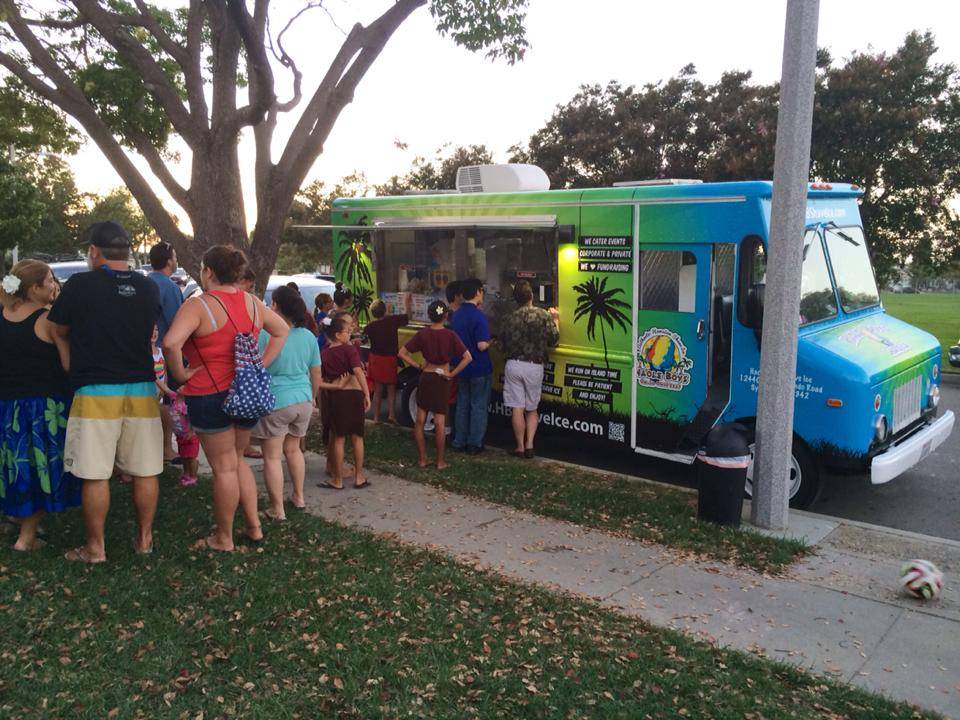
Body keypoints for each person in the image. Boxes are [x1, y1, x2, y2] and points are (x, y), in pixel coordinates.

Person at [47, 221, 162, 563]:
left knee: (95, 472)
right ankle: (144, 540)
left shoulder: (80, 284)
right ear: (126, 252)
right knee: (145, 469)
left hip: (96, 389)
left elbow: (58, 329)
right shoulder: (148, 288)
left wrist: (69, 363)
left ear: (93, 252)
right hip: (142, 388)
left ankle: (95, 548)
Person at [163, 245, 289, 552]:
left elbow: (170, 343)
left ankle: (224, 537)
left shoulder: (199, 305)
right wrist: (261, 362)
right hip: (245, 393)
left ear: (208, 272)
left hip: (208, 394)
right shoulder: (253, 303)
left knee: (224, 468)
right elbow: (282, 330)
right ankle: (254, 527)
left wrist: (179, 375)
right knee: (237, 460)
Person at [0, 260, 80, 551]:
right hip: (42, 409)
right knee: (40, 469)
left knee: (14, 467)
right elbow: (67, 364)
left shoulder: (3, 312)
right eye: (49, 280)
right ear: (34, 288)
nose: (54, 285)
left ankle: (16, 517)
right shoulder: (48, 319)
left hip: (8, 407)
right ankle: (27, 537)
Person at [253, 286, 347, 519]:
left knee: (272, 456)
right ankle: (299, 496)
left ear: (275, 306)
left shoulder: (265, 335)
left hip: (276, 400)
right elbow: (316, 372)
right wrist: (313, 397)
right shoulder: (308, 337)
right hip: (303, 399)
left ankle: (277, 509)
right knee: (294, 450)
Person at [398, 300, 472, 469]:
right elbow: (467, 357)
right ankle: (440, 461)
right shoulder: (450, 335)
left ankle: (423, 458)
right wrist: (452, 374)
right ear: (446, 316)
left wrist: (417, 365)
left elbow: (402, 352)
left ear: (429, 315)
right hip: (442, 378)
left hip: (426, 376)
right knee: (440, 420)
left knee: (420, 419)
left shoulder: (423, 334)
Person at [498, 281, 560, 458]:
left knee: (517, 407)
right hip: (534, 366)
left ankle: (519, 447)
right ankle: (530, 445)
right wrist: (555, 319)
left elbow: (501, 344)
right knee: (532, 409)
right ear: (531, 295)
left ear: (515, 299)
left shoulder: (509, 318)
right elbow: (554, 339)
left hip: (514, 364)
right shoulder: (542, 315)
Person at [319, 315, 371, 489]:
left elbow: (318, 379)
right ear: (338, 334)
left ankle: (338, 479)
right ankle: (358, 476)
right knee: (357, 437)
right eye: (347, 332)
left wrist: (335, 386)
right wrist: (367, 393)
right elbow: (358, 371)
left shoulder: (324, 353)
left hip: (337, 397)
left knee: (339, 439)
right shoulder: (349, 351)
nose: (350, 334)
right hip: (354, 396)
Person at [147, 241, 184, 463]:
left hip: (142, 353)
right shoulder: (169, 287)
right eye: (176, 256)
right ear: (169, 260)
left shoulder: (144, 282)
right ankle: (166, 448)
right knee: (167, 400)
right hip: (163, 354)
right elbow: (177, 324)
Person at [450, 278, 492, 454]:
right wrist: (491, 341)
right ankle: (475, 443)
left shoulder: (456, 315)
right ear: (477, 292)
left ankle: (459, 441)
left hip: (461, 367)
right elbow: (482, 345)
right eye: (482, 291)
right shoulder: (479, 316)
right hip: (479, 368)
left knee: (462, 404)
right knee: (478, 405)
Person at [363, 298, 409, 423]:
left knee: (378, 390)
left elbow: (363, 339)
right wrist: (407, 302)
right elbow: (407, 317)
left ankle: (376, 418)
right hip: (389, 359)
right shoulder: (392, 321)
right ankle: (392, 415)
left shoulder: (370, 327)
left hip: (376, 359)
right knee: (391, 389)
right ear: (385, 310)